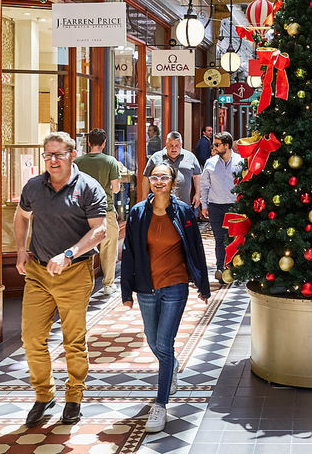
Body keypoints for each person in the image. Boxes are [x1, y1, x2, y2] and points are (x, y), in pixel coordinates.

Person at [14, 132, 107, 427]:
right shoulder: (33, 187)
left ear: (72, 154)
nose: (53, 160)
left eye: (59, 154)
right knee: (31, 338)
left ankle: (74, 396)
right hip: (38, 272)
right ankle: (44, 394)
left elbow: (100, 230)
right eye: (48, 155)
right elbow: (21, 216)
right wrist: (20, 250)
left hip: (75, 273)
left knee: (73, 341)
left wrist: (69, 253)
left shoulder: (89, 188)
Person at [121, 161, 211, 433]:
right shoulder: (138, 212)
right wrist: (126, 291)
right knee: (152, 338)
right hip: (147, 287)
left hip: (175, 285)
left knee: (164, 340)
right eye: (154, 177)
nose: (158, 181)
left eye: (164, 177)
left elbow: (195, 248)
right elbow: (129, 252)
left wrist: (203, 285)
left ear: (174, 182)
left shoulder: (183, 211)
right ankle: (169, 367)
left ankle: (160, 405)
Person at [74, 128, 121, 295]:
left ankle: (85, 285)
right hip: (105, 209)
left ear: (88, 143)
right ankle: (108, 284)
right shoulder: (110, 161)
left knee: (85, 248)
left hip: (83, 211)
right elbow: (115, 189)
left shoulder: (78, 162)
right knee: (108, 247)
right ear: (104, 143)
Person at [199, 131, 244, 283]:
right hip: (215, 207)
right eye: (214, 145)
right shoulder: (210, 163)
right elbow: (204, 186)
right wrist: (204, 205)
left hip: (234, 206)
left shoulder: (240, 161)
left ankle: (235, 269)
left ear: (227, 145)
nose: (215, 148)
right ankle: (221, 268)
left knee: (234, 239)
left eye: (217, 145)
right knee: (219, 239)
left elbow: (245, 184)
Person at [143, 131, 202, 206]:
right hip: (160, 205)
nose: (174, 148)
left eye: (177, 145)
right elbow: (146, 178)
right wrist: (144, 198)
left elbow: (197, 176)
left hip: (183, 204)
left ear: (181, 144)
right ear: (166, 144)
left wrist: (197, 194)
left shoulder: (190, 157)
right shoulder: (156, 157)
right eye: (171, 145)